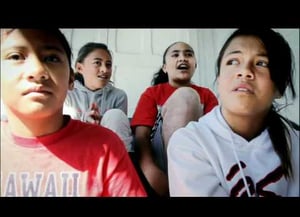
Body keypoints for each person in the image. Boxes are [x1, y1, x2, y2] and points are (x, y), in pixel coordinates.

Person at [0, 28, 147, 197]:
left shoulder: (108, 146)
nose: (37, 70)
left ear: (70, 79)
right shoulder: (71, 97)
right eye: (16, 57)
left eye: (51, 58)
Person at [168, 28, 299, 197]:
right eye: (233, 61)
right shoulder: (189, 143)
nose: (244, 71)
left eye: (261, 63)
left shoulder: (295, 144)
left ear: (281, 86)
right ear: (219, 78)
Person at [131, 41, 219, 196]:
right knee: (186, 95)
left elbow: (215, 134)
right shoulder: (152, 93)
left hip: (196, 159)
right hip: (160, 159)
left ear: (195, 65)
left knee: (189, 96)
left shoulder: (207, 95)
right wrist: (148, 167)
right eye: (175, 54)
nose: (183, 58)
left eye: (188, 54)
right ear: (165, 67)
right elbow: (141, 136)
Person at [63, 42, 133, 152]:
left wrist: (101, 124)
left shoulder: (119, 96)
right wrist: (85, 123)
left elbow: (118, 130)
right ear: (79, 68)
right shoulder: (67, 93)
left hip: (107, 150)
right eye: (97, 63)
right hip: (75, 150)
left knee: (115, 115)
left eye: (108, 64)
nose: (104, 69)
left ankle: (122, 164)